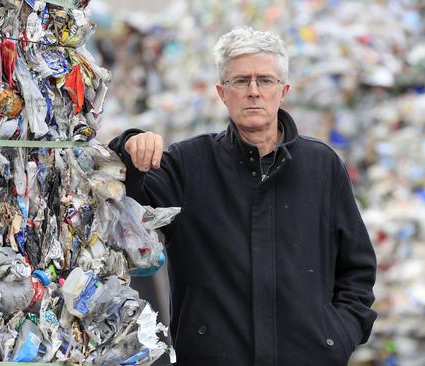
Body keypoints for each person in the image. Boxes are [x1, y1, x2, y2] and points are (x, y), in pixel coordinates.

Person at [109, 26, 377, 366]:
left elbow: (357, 268)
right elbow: (123, 200)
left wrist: (337, 337)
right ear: (223, 93)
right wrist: (130, 146)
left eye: (265, 81)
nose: (253, 92)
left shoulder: (321, 166)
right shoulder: (189, 165)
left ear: (283, 91)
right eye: (240, 81)